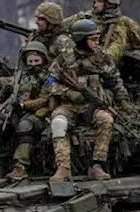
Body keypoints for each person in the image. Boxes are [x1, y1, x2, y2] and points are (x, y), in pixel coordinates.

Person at [46, 18, 129, 181]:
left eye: (98, 38)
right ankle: (63, 168)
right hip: (69, 105)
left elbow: (115, 80)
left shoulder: (101, 57)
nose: (97, 42)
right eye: (93, 39)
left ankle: (97, 165)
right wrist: (67, 93)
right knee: (58, 122)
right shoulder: (64, 58)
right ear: (80, 40)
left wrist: (123, 99)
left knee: (106, 120)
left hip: (93, 105)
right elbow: (49, 83)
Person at [0, 41, 54, 181]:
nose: (33, 64)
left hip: (39, 114)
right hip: (17, 110)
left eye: (37, 60)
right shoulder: (19, 76)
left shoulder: (48, 78)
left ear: (43, 60)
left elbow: (44, 99)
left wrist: (24, 105)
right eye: (30, 61)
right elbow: (9, 94)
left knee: (25, 126)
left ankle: (20, 166)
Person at [65, 0, 140, 64]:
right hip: (84, 65)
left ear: (109, 3)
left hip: (114, 68)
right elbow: (62, 27)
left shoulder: (126, 24)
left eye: (99, 1)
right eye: (95, 1)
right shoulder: (85, 18)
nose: (95, 5)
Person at [25, 1, 75, 67]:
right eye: (37, 18)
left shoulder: (63, 41)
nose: (36, 22)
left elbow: (71, 68)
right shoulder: (35, 37)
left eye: (41, 19)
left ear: (51, 21)